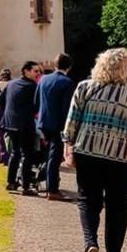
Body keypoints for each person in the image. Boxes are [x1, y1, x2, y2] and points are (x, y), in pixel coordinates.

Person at [63, 47, 127, 252]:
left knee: (88, 201)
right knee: (118, 208)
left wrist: (68, 147)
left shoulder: (84, 87)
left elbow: (72, 121)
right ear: (123, 69)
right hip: (120, 158)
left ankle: (90, 242)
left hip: (88, 153)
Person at [36, 54, 77, 200]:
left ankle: (50, 182)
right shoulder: (67, 82)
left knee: (49, 155)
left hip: (43, 122)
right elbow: (69, 108)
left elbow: (36, 101)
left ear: (55, 65)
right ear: (69, 67)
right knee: (54, 156)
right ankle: (52, 189)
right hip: (58, 124)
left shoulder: (44, 79)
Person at [1, 61, 43, 194]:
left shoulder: (11, 84)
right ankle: (25, 186)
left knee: (15, 152)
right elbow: (37, 106)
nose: (38, 74)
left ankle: (11, 182)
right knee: (27, 154)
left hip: (10, 123)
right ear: (26, 71)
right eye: (35, 71)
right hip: (24, 124)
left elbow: (0, 101)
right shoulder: (32, 87)